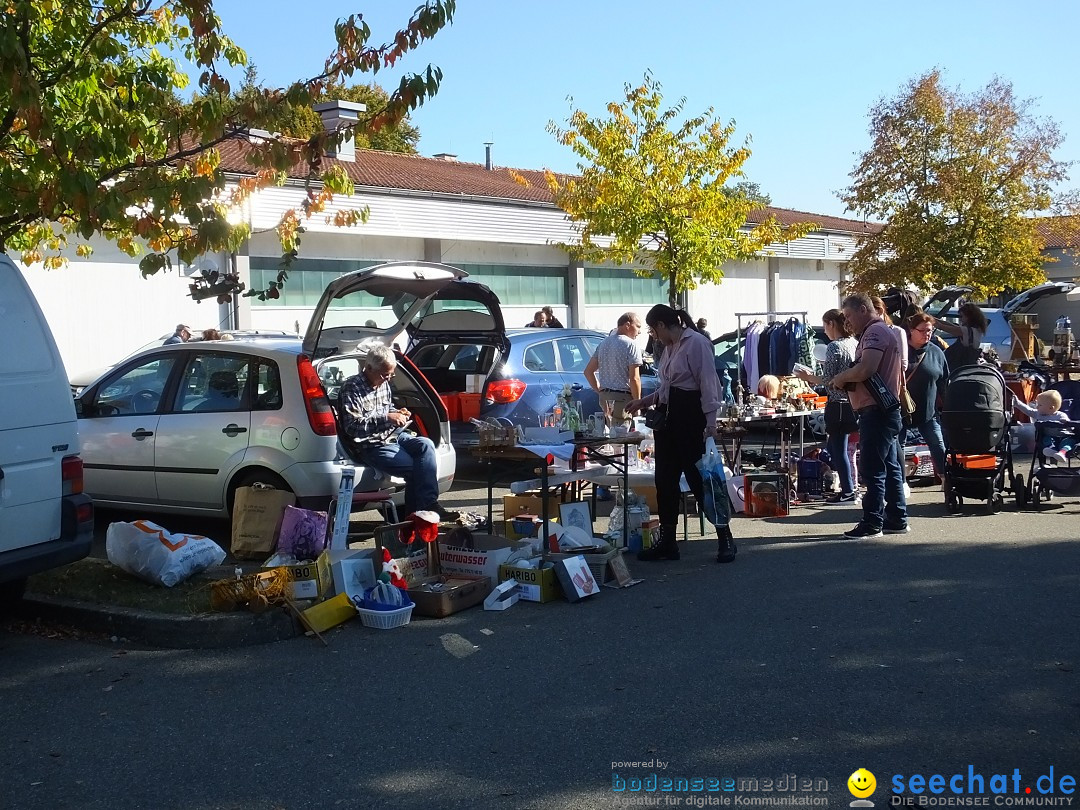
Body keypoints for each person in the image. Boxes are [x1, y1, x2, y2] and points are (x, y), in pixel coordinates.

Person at [625, 305, 735, 564]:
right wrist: (644, 402)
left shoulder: (696, 343)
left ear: (662, 325)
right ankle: (667, 541)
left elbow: (708, 383)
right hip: (668, 420)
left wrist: (710, 423)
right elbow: (668, 387)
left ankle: (725, 537)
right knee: (665, 482)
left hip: (689, 418)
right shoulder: (671, 347)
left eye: (653, 330)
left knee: (701, 481)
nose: (653, 336)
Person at [338, 345, 458, 522]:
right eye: (384, 374)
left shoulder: (383, 384)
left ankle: (428, 505)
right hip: (371, 443)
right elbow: (352, 427)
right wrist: (387, 417)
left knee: (426, 444)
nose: (388, 379)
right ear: (368, 368)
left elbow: (386, 408)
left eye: (391, 374)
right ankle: (412, 521)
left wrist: (398, 412)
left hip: (393, 435)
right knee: (415, 469)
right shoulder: (351, 387)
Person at [831, 293, 908, 539]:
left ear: (864, 309)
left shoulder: (874, 333)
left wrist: (841, 378)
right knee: (890, 466)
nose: (847, 322)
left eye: (850, 316)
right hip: (884, 410)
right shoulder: (882, 331)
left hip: (877, 411)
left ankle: (873, 522)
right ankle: (896, 518)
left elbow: (867, 368)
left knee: (872, 468)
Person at [795, 308, 859, 504]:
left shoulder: (834, 347)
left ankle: (848, 491)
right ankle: (850, 489)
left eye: (825, 326)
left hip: (837, 403)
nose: (825, 331)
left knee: (837, 450)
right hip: (852, 401)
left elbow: (829, 379)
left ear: (832, 323)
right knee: (844, 449)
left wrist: (808, 377)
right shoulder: (854, 342)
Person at [902, 312, 949, 479]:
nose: (927, 334)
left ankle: (945, 479)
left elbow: (944, 382)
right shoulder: (901, 350)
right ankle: (901, 482)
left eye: (929, 330)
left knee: (938, 445)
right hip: (902, 411)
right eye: (922, 330)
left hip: (928, 412)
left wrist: (948, 408)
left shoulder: (936, 352)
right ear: (911, 330)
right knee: (898, 447)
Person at [583, 312, 643, 425]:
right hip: (622, 398)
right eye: (638, 326)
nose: (639, 332)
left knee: (608, 434)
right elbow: (634, 378)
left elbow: (588, 371)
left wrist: (599, 390)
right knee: (621, 437)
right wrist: (637, 402)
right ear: (627, 325)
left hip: (605, 397)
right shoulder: (631, 345)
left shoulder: (603, 343)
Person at [1013, 390, 1074, 464]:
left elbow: (1071, 426)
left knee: (1068, 441)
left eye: (1040, 405)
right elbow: (1028, 410)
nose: (1037, 406)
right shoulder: (1038, 414)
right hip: (1050, 437)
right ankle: (1051, 450)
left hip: (1063, 437)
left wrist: (1065, 422)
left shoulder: (1061, 415)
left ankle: (1062, 453)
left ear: (1051, 408)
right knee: (1046, 439)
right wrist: (1017, 403)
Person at [932, 303, 989, 368]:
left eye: (962, 316)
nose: (960, 319)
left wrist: (932, 321)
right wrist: (934, 319)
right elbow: (951, 326)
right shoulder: (975, 329)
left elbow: (943, 327)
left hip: (961, 363)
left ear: (969, 317)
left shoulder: (967, 331)